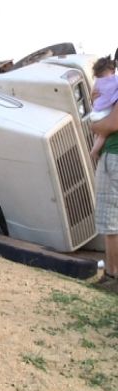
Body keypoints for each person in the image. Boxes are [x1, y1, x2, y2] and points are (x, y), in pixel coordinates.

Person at [92, 81, 118, 281]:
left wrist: (94, 125)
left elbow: (111, 124)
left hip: (114, 157)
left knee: (111, 220)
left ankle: (112, 274)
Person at [89, 56, 118, 163]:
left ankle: (95, 149)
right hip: (102, 112)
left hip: (96, 112)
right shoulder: (113, 81)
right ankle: (95, 150)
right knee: (102, 134)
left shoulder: (98, 82)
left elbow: (108, 126)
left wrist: (94, 127)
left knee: (101, 134)